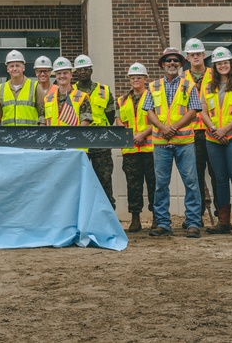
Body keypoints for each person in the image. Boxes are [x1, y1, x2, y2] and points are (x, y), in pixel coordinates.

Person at [144, 47, 203, 238]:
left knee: (191, 182)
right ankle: (163, 223)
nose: (172, 63)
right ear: (162, 64)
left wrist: (173, 127)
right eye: (168, 60)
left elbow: (193, 110)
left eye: (175, 61)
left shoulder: (189, 85)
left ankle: (193, 223)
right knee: (161, 184)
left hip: (184, 141)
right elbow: (149, 111)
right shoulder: (153, 86)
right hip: (161, 142)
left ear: (181, 64)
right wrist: (163, 128)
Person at [198, 47, 232, 235]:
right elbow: (202, 110)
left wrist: (225, 130)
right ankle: (224, 221)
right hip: (213, 137)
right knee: (219, 179)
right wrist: (213, 129)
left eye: (225, 62)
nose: (223, 66)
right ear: (215, 66)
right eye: (219, 63)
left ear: (231, 64)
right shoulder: (208, 86)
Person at [73, 54, 117, 209]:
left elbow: (110, 115)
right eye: (79, 69)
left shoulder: (104, 90)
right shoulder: (70, 92)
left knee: (104, 181)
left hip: (101, 142)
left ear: (91, 70)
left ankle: (108, 216)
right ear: (75, 72)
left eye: (86, 69)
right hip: (79, 143)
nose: (83, 72)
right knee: (79, 182)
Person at [181, 38, 217, 221]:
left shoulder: (215, 74)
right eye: (192, 54)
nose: (195, 57)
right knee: (195, 175)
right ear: (187, 57)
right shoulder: (182, 79)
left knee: (216, 173)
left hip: (212, 131)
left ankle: (222, 215)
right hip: (191, 133)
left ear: (204, 55)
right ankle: (198, 214)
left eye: (198, 54)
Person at [116, 63, 154, 233]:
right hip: (131, 150)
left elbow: (157, 119)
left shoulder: (152, 96)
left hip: (150, 149)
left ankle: (157, 217)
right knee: (133, 185)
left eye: (139, 77)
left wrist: (143, 134)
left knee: (154, 184)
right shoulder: (122, 100)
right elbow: (119, 121)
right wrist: (129, 135)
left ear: (145, 79)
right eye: (133, 78)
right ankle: (136, 218)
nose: (135, 80)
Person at [0, 50, 42, 126]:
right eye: (11, 66)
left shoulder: (35, 86)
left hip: (30, 135)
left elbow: (42, 113)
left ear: (23, 68)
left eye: (17, 65)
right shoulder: (1, 88)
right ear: (7, 69)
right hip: (8, 135)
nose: (15, 69)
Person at [42, 57, 92, 127]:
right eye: (59, 73)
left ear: (71, 75)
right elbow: (42, 122)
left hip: (74, 137)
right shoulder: (47, 99)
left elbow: (85, 122)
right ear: (55, 76)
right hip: (52, 137)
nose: (62, 76)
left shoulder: (82, 97)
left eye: (65, 73)